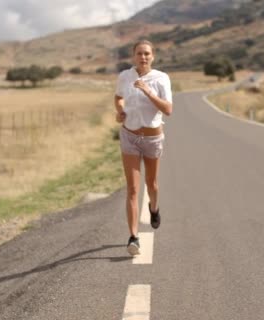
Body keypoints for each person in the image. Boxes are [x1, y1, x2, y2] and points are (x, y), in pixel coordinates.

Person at [114, 40, 173, 256]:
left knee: (152, 184)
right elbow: (118, 97)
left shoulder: (161, 78)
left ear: (153, 56)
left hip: (152, 138)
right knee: (132, 189)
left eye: (147, 53)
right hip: (129, 136)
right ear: (133, 56)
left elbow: (168, 109)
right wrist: (120, 111)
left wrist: (148, 91)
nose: (143, 57)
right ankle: (133, 237)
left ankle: (154, 209)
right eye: (139, 53)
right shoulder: (125, 77)